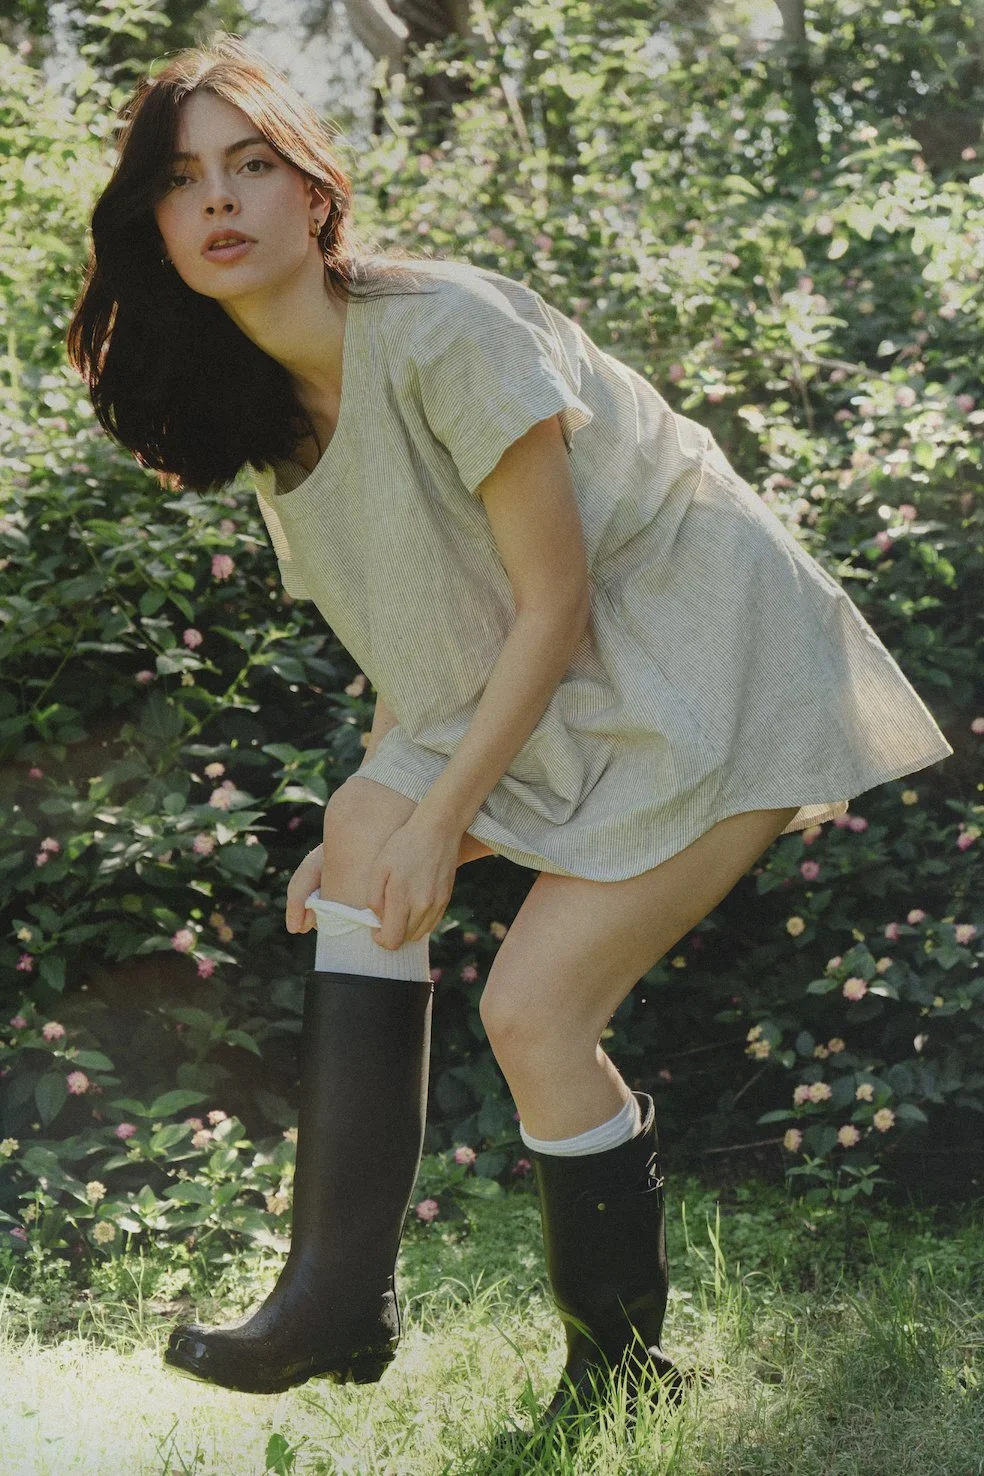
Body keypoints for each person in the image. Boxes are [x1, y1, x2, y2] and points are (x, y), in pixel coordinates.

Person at [66, 31, 954, 1428]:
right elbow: (421, 651)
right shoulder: (273, 419)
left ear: (317, 195)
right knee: (359, 832)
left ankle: (621, 1371)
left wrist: (435, 821)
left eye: (253, 165)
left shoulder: (446, 331)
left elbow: (558, 599)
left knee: (534, 1013)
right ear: (155, 223)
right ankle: (336, 1298)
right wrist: (382, 819)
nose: (220, 202)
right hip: (546, 672)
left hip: (704, 662)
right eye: (183, 181)